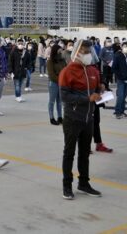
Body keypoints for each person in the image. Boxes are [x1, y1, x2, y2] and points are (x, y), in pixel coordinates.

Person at [59, 40, 102, 200]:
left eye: (89, 51)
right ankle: (67, 186)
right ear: (77, 52)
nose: (88, 54)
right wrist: (87, 98)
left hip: (88, 118)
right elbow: (65, 96)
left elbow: (96, 90)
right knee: (69, 152)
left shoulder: (93, 70)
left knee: (85, 153)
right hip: (72, 118)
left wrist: (101, 89)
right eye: (85, 51)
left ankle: (84, 183)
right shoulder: (67, 71)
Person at [47, 44, 66, 125]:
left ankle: (60, 117)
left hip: (61, 83)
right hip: (53, 83)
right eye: (59, 50)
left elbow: (65, 70)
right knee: (52, 101)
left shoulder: (62, 60)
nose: (61, 51)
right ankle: (51, 118)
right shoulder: (50, 61)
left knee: (60, 101)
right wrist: (60, 80)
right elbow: (51, 75)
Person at [112, 41, 127, 119]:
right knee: (120, 96)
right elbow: (114, 68)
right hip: (121, 80)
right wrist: (120, 76)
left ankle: (122, 111)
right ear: (121, 47)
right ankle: (117, 112)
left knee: (124, 96)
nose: (126, 48)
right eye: (124, 46)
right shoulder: (118, 56)